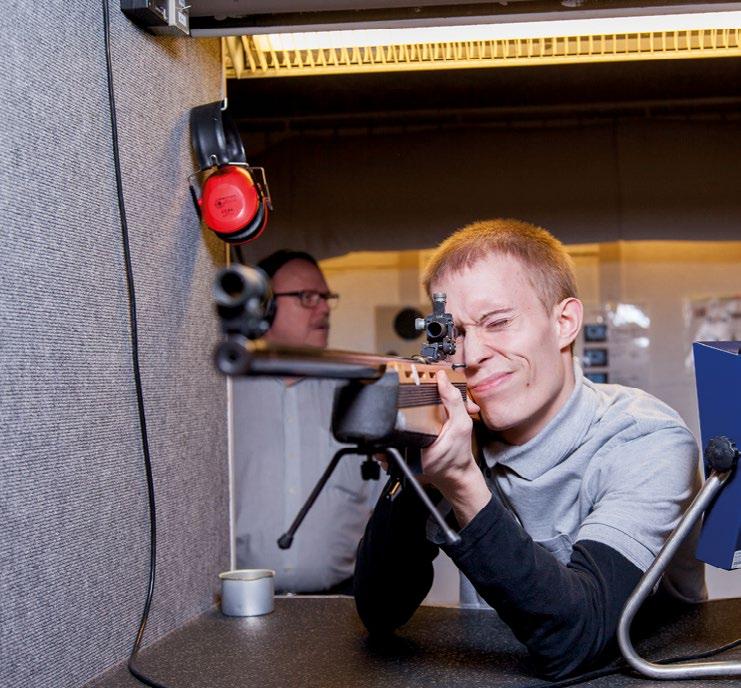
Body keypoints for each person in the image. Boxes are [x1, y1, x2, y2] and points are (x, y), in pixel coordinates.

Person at [353, 219, 706, 678]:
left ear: (564, 323)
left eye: (498, 323)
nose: (472, 355)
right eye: (453, 333)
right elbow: (380, 611)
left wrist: (461, 483)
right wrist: (414, 469)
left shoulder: (646, 439)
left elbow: (577, 642)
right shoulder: (461, 433)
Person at [233, 250, 383, 594]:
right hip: (239, 600)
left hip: (342, 602)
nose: (324, 308)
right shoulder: (220, 399)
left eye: (326, 298)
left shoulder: (357, 393)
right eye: (307, 297)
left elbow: (380, 500)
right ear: (263, 308)